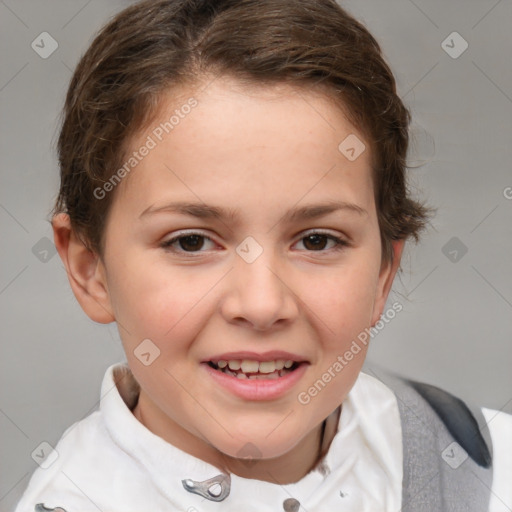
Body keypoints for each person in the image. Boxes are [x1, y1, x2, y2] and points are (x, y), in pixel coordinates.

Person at [14, 0, 511, 511]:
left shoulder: (488, 470)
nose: (261, 303)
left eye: (317, 240)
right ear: (89, 269)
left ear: (384, 272)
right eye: (191, 241)